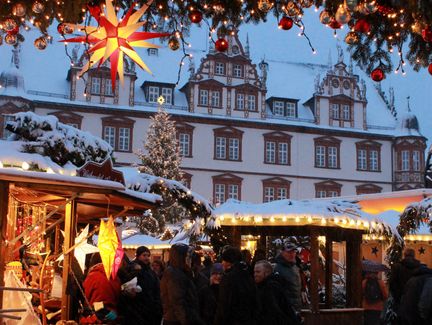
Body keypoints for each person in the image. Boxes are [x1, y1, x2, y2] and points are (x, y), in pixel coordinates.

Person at [160, 243, 204, 325]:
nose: (189, 259)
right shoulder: (174, 274)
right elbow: (177, 301)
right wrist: (185, 320)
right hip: (176, 320)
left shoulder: (181, 271)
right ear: (180, 257)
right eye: (187, 257)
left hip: (178, 318)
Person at [214, 246, 257, 325]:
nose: (222, 263)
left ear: (228, 262)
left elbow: (224, 304)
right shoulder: (247, 274)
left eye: (223, 260)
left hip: (232, 320)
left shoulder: (228, 278)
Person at [254, 260, 300, 325]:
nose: (255, 274)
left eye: (258, 272)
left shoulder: (271, 287)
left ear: (267, 273)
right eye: (254, 272)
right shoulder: (264, 286)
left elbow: (274, 313)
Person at [82, 253, 121, 323]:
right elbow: (118, 296)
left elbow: (86, 296)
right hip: (112, 316)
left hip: (96, 317)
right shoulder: (115, 277)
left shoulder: (92, 276)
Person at [132, 246, 163, 325]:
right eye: (144, 255)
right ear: (138, 256)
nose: (147, 258)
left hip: (152, 309)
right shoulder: (134, 269)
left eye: (148, 255)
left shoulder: (149, 270)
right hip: (139, 310)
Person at [274, 243, 301, 311]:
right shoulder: (278, 268)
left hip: (296, 307)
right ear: (283, 253)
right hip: (285, 309)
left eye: (293, 252)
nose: (292, 254)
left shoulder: (295, 267)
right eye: (289, 252)